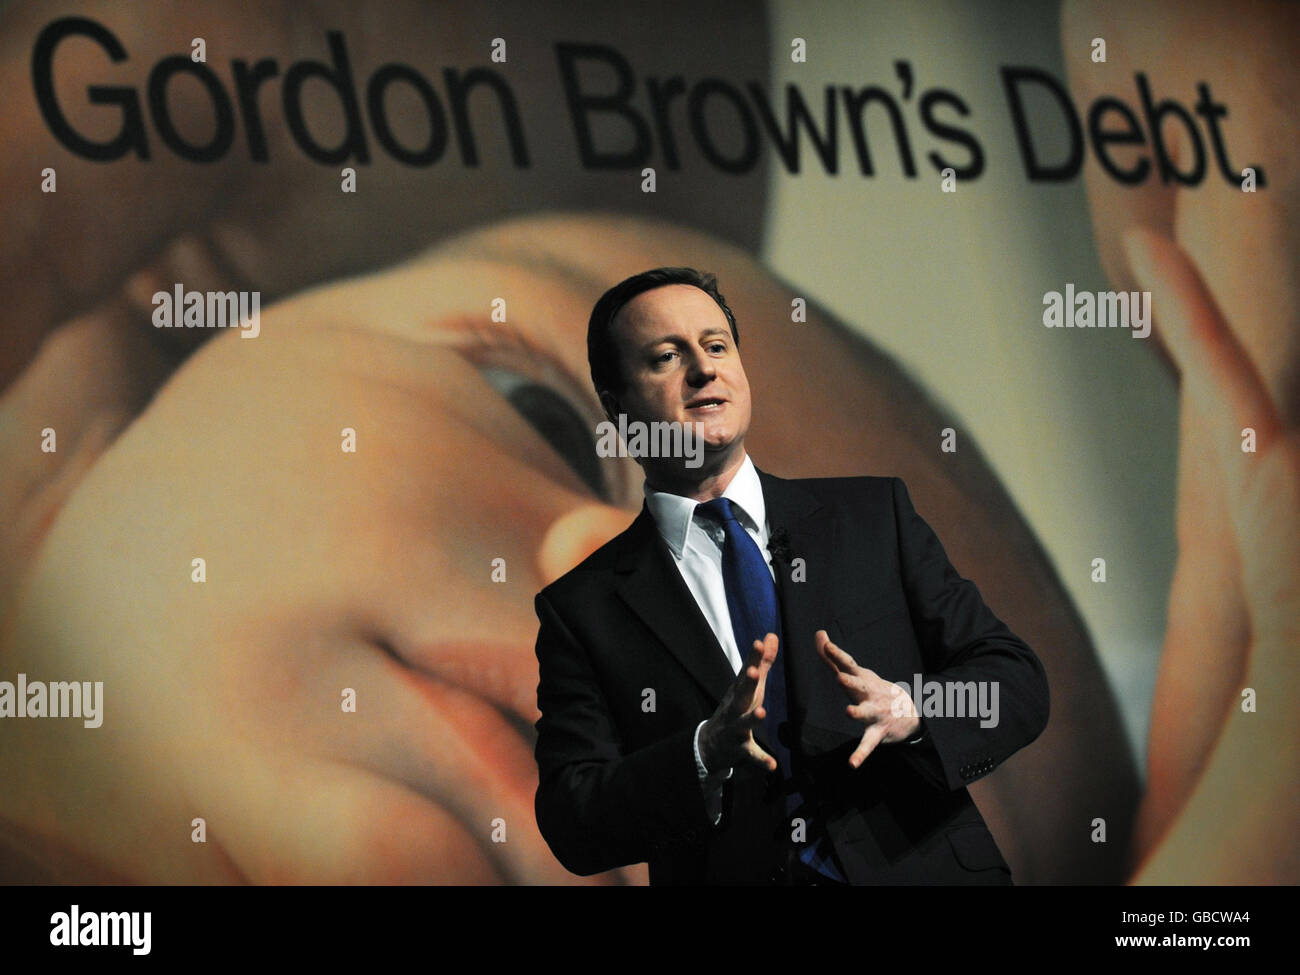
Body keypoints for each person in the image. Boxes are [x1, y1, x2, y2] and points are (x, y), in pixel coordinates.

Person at [532, 267, 1051, 884]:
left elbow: (1013, 679)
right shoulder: (583, 607)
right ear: (619, 410)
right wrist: (702, 755)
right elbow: (573, 817)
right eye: (668, 357)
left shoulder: (870, 518)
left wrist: (911, 709)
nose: (704, 369)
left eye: (717, 345)